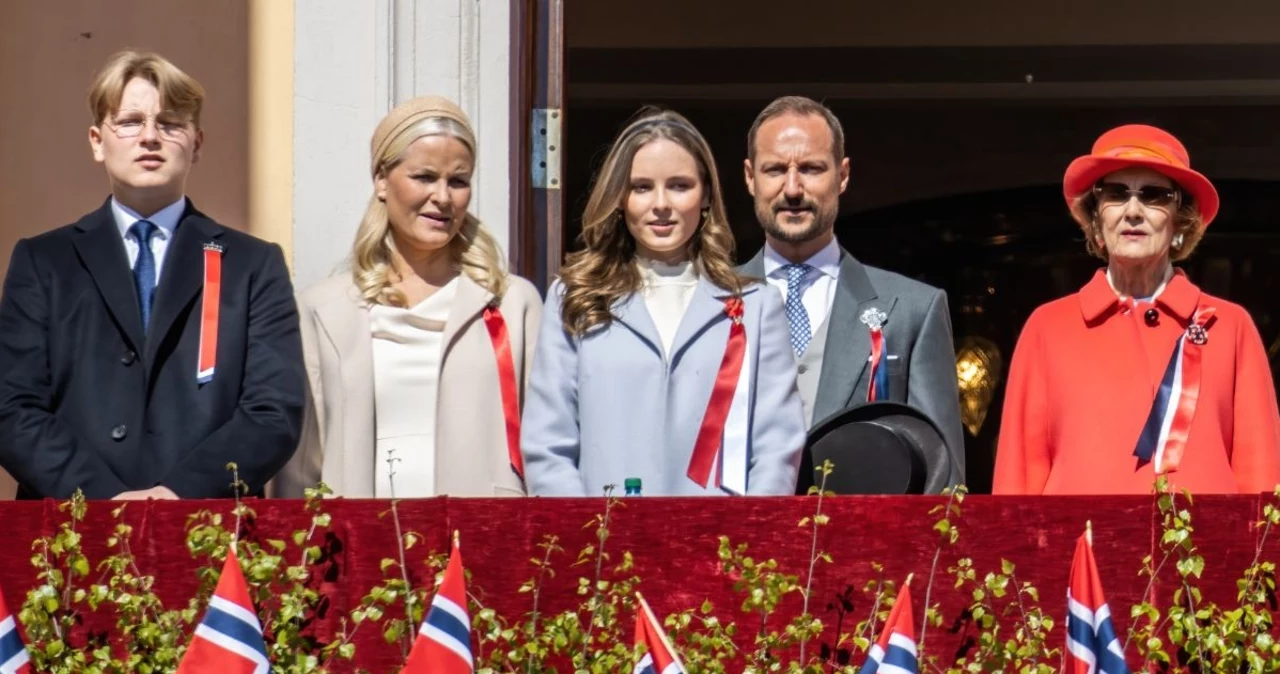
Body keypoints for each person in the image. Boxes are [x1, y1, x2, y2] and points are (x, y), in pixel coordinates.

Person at [0, 51, 305, 499]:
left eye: (170, 123)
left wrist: (178, 496)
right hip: (72, 528)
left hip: (209, 530)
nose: (149, 137)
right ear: (97, 141)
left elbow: (273, 410)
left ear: (197, 143)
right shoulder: (44, 262)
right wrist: (103, 499)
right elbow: (12, 406)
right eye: (129, 121)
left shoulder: (252, 265)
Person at [522, 109, 805, 496]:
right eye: (641, 187)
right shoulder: (574, 299)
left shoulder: (756, 306)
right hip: (603, 545)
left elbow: (776, 449)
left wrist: (747, 543)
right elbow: (548, 448)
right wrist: (588, 545)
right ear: (619, 197)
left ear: (705, 194)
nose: (660, 204)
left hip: (721, 548)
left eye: (679, 185)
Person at [274, 96, 542, 498]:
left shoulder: (512, 303)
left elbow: (541, 442)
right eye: (424, 177)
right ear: (382, 180)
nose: (443, 197)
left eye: (458, 181)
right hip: (359, 544)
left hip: (481, 541)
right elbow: (300, 465)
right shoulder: (323, 309)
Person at [993, 124, 1280, 494]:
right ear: (1097, 219)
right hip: (1082, 550)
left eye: (1154, 195)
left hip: (1204, 550)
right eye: (1116, 193)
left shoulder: (1229, 325)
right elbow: (1018, 477)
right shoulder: (1048, 327)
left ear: (1180, 219)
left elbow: (1261, 478)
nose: (1133, 211)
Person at [738, 96, 965, 489]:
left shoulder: (914, 309)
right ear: (749, 177)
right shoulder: (707, 302)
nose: (792, 189)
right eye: (775, 169)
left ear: (842, 175)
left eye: (811, 169)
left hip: (866, 546)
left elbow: (943, 481)